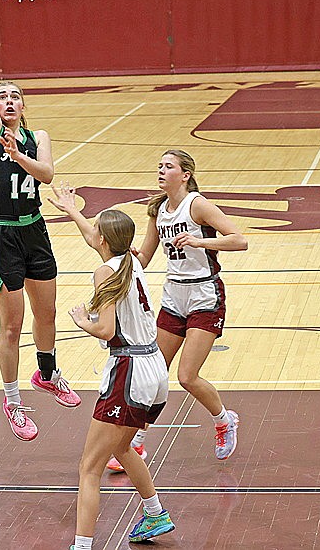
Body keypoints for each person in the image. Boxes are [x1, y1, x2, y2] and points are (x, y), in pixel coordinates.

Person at [0, 0, 80, 441]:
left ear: (24, 106)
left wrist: (20, 156)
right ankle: (12, 401)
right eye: (2, 96)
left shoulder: (37, 136)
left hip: (35, 230)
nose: (6, 101)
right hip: (2, 234)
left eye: (14, 97)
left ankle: (46, 372)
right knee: (11, 325)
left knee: (45, 315)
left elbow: (46, 174)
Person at [48, 184, 176, 549]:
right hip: (154, 369)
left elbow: (104, 328)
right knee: (121, 448)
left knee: (89, 468)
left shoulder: (104, 273)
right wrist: (73, 210)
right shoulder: (131, 260)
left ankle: (82, 546)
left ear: (104, 239)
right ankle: (154, 513)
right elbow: (95, 237)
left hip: (129, 371)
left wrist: (80, 319)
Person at [106, 149, 248, 471]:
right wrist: (122, 256)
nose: (161, 170)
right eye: (159, 165)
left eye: (168, 166)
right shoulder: (158, 210)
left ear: (184, 175)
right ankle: (136, 444)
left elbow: (240, 240)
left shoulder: (197, 205)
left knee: (186, 376)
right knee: (154, 375)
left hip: (204, 294)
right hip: (173, 295)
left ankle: (224, 421)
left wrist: (201, 243)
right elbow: (143, 260)